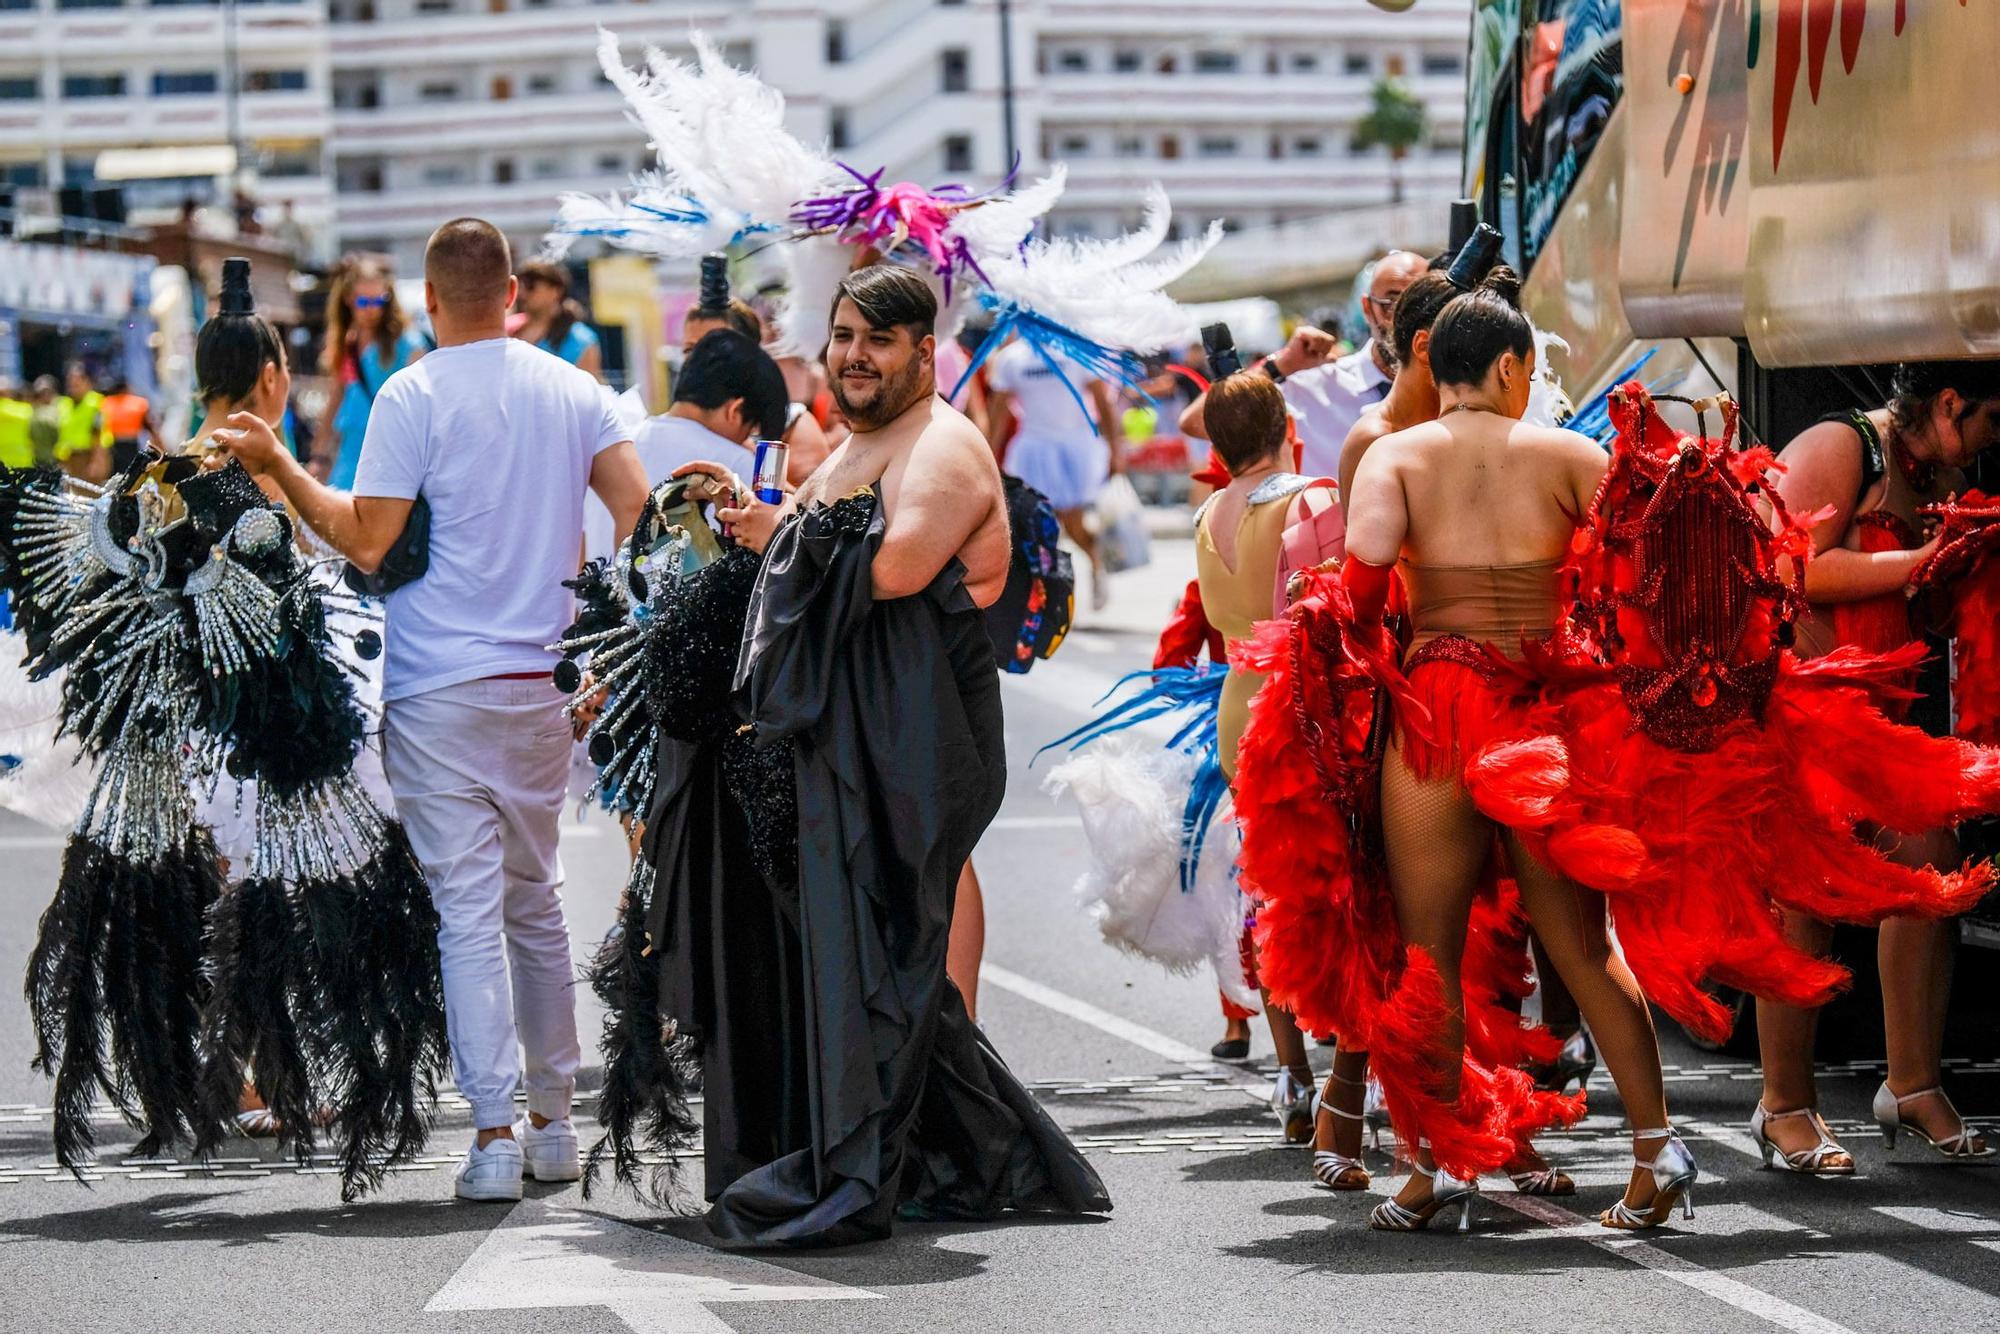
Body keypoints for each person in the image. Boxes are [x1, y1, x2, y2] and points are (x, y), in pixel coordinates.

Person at [665, 264, 1110, 1245]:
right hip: (849, 740)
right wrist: (754, 520)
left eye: (878, 339)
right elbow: (812, 545)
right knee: (876, 969)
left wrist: (782, 536)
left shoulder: (944, 447)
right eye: (844, 335)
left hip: (921, 748)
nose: (855, 355)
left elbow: (896, 565)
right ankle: (995, 1156)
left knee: (882, 965)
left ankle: (858, 1165)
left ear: (922, 350)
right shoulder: (860, 440)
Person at [210, 217, 650, 1205]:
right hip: (540, 682)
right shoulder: (575, 390)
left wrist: (280, 467)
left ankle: (492, 1133)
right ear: (509, 291)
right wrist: (608, 618)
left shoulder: (411, 394)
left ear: (427, 295)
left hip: (434, 687)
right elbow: (638, 506)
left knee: (467, 912)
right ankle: (554, 1125)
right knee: (535, 899)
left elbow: (365, 540)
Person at [1334, 286, 1681, 1230]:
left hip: (1438, 709)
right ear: (1510, 367)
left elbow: (1359, 588)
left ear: (1431, 368)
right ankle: (1659, 1148)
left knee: (1429, 950)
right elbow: (1645, 571)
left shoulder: (1393, 455)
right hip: (1546, 714)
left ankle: (1432, 1164)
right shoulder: (1571, 454)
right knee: (1583, 945)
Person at [1751, 361, 2000, 1171]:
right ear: (1951, 405)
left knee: (1931, 870)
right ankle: (1784, 1105)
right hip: (1806, 715)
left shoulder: (1922, 470)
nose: (1996, 443)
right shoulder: (1842, 442)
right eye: (1993, 421)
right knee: (1806, 901)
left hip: (1882, 724)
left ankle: (1912, 1084)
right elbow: (1789, 569)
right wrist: (1921, 560)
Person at [1192, 371, 1347, 1150]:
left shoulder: (1205, 514)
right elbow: (1344, 602)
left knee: (1270, 890)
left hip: (1236, 706)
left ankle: (1291, 1072)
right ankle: (1356, 1076)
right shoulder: (1310, 496)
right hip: (1302, 706)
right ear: (1285, 423)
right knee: (1344, 883)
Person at [1181, 250, 1429, 476]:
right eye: (1391, 304)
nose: (1404, 319)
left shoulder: (1454, 389)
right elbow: (1198, 421)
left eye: (1421, 304)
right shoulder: (1312, 385)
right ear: (1367, 308)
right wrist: (1279, 366)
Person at [583, 329, 789, 560]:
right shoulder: (735, 468)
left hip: (595, 593)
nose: (746, 442)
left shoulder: (613, 445)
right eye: (750, 432)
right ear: (735, 410)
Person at [983, 341, 1124, 610]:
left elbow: (1103, 402)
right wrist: (985, 455)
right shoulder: (1011, 358)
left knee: (1073, 523)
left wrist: (1116, 448)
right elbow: (998, 411)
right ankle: (1049, 594)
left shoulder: (1075, 352)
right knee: (1039, 527)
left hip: (1075, 448)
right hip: (1033, 451)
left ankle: (1096, 567)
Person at [319, 257, 425, 489]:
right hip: (349, 451)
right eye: (363, 301)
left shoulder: (408, 342)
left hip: (390, 453)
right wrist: (319, 456)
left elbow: (420, 405)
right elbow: (336, 397)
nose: (371, 309)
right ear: (348, 299)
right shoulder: (347, 342)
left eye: (379, 300)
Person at [514, 259, 604, 380]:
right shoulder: (509, 328)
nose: (522, 293)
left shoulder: (581, 341)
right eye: (519, 286)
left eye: (531, 286)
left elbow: (587, 393)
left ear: (555, 291)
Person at [57, 363, 109, 481]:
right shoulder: (64, 404)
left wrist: (97, 461)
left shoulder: (96, 402)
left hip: (88, 457)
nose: (72, 387)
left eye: (76, 383)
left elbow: (98, 433)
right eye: (70, 384)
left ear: (87, 382)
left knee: (89, 495)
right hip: (69, 458)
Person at [100, 378, 158, 476]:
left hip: (113, 446)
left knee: (114, 476)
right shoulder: (138, 403)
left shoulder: (106, 403)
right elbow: (151, 428)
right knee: (131, 475)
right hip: (131, 445)